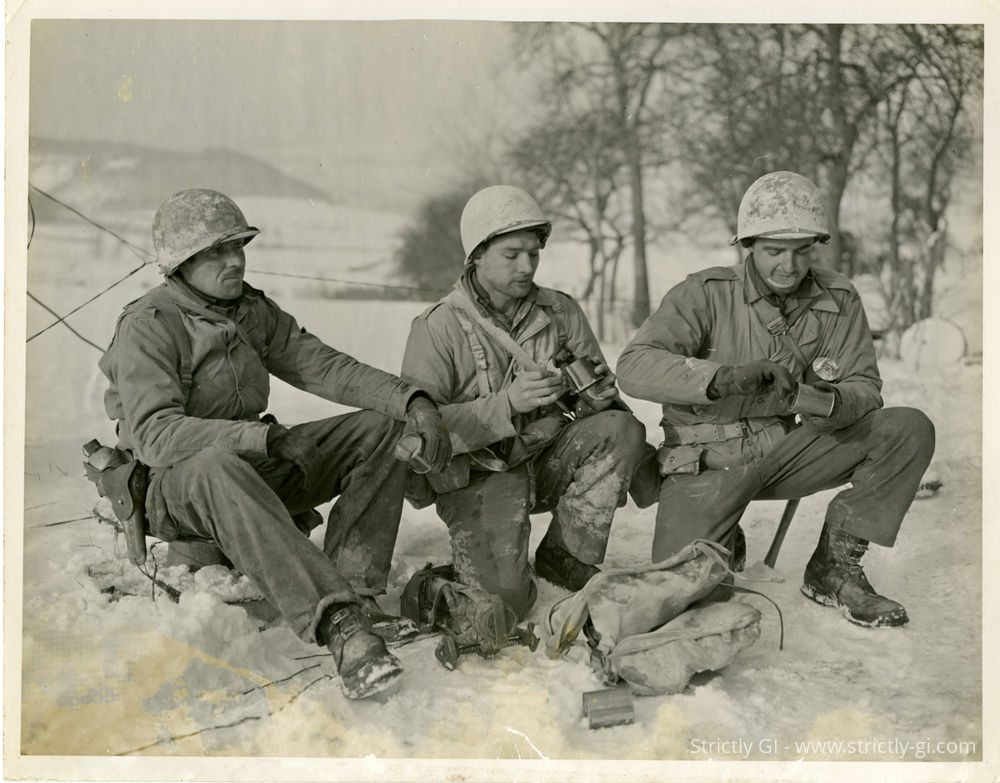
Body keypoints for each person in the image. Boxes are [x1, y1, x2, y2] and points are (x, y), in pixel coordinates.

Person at [98, 188, 452, 699]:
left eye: (239, 246)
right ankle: (340, 625)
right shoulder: (149, 325)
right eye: (217, 252)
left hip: (251, 467)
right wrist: (261, 437)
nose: (235, 260)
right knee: (216, 463)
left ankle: (358, 588)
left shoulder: (250, 312)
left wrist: (412, 401)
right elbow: (156, 435)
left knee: (380, 428)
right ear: (180, 263)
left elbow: (325, 367)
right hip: (176, 489)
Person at [617, 171, 935, 628]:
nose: (789, 265)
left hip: (787, 453)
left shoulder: (839, 298)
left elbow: (866, 388)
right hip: (707, 462)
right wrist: (723, 379)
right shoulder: (705, 294)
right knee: (683, 605)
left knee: (906, 429)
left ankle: (834, 567)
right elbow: (633, 366)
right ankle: (725, 534)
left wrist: (814, 399)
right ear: (748, 245)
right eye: (774, 251)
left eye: (801, 251)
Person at [399, 185, 656, 619]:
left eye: (534, 254)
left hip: (544, 457)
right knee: (505, 603)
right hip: (479, 475)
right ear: (476, 255)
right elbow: (421, 432)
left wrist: (599, 396)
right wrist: (507, 404)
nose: (527, 266)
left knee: (620, 430)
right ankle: (430, 587)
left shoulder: (560, 312)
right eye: (512, 254)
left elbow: (598, 396)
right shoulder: (437, 327)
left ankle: (566, 554)